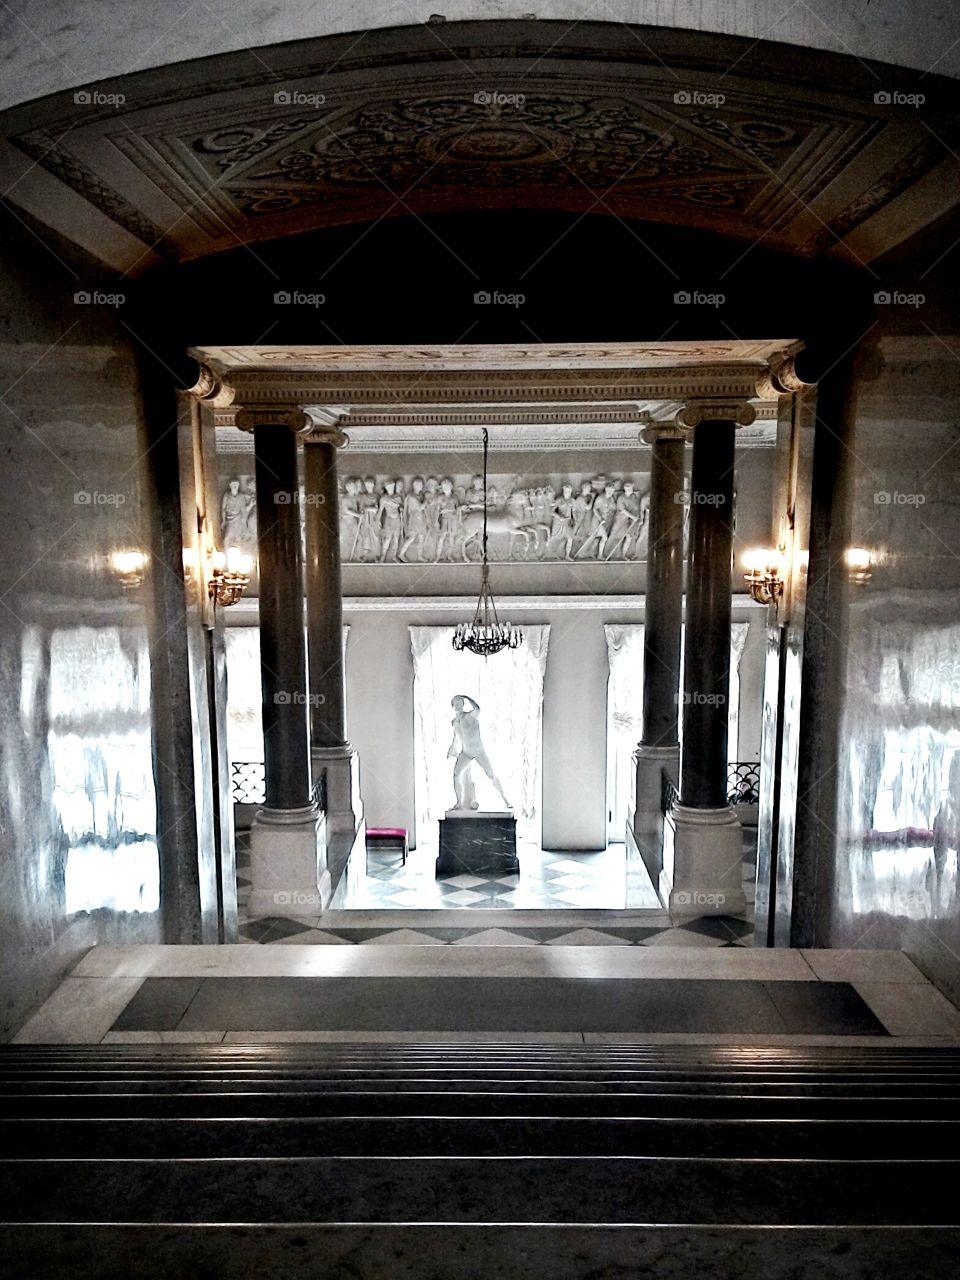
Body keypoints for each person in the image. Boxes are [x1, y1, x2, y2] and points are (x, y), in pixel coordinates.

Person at [448, 694, 511, 810]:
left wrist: (467, 697)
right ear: (452, 706)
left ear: (463, 705)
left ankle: (505, 799)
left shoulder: (469, 717)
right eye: (455, 704)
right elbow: (456, 737)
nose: (457, 706)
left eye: (459, 704)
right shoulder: (454, 722)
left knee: (491, 775)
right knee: (456, 774)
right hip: (466, 752)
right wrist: (452, 748)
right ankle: (458, 803)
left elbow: (478, 709)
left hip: (478, 751)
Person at [399, 476, 427, 562]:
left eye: (422, 485)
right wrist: (427, 499)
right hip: (415, 518)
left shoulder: (419, 495)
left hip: (421, 518)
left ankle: (420, 556)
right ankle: (401, 553)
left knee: (421, 537)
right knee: (412, 537)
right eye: (420, 485)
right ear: (415, 485)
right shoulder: (411, 497)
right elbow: (420, 507)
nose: (421, 487)